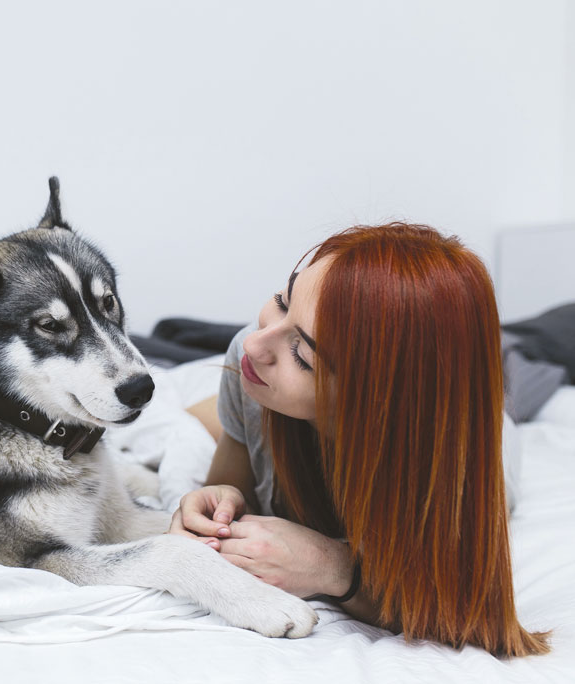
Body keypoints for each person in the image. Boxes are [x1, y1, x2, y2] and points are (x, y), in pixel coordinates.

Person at [169, 223, 550, 658]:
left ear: (377, 403)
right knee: (189, 414)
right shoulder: (249, 358)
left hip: (487, 423)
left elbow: (467, 613)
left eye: (302, 355)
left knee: (531, 362)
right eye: (281, 301)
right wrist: (216, 503)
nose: (255, 345)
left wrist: (332, 567)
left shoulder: (455, 463)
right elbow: (233, 493)